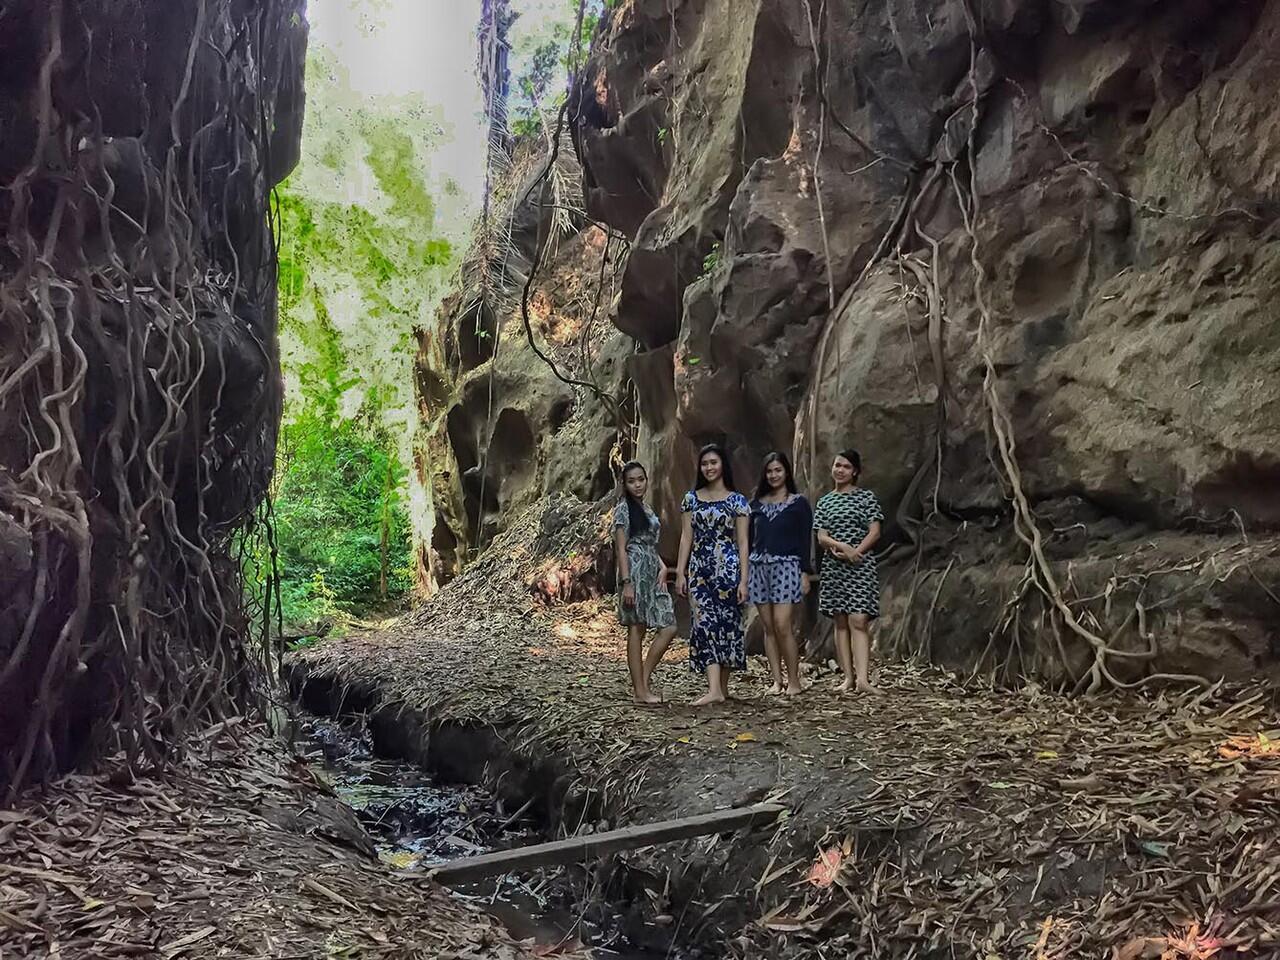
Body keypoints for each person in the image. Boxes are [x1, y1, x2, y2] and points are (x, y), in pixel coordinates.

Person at [675, 444, 750, 707]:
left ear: (722, 465)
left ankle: (722, 689)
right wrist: (681, 573)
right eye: (705, 463)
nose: (709, 468)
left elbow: (742, 542)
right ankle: (713, 688)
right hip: (699, 570)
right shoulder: (691, 499)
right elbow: (686, 537)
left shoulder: (737, 501)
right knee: (704, 623)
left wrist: (743, 579)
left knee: (727, 624)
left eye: (713, 462)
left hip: (728, 568)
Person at [813, 449, 883, 694]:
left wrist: (856, 551)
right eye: (837, 465)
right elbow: (821, 536)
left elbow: (875, 530)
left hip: (861, 566)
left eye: (845, 466)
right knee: (840, 620)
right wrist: (840, 547)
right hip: (834, 567)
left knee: (858, 619)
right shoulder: (825, 501)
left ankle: (863, 679)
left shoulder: (866, 498)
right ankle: (848, 678)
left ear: (855, 471)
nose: (839, 470)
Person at [748, 452, 813, 696]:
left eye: (778, 470)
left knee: (782, 624)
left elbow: (805, 540)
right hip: (758, 567)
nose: (774, 475)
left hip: (787, 566)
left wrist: (805, 572)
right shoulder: (755, 504)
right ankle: (776, 681)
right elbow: (747, 540)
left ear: (786, 472)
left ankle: (794, 680)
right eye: (770, 471)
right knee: (768, 627)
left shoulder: (798, 504)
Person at [613, 461, 678, 704]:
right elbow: (622, 548)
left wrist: (662, 566)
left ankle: (643, 680)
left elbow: (649, 542)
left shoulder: (646, 508)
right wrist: (627, 582)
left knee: (669, 626)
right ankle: (640, 690)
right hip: (635, 571)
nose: (638, 484)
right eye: (632, 481)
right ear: (625, 484)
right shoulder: (623, 509)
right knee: (637, 628)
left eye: (641, 479)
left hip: (652, 570)